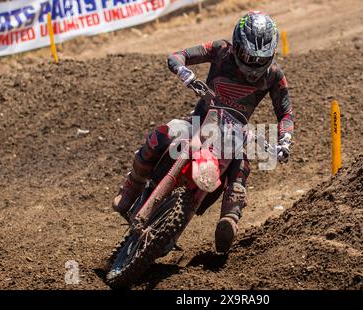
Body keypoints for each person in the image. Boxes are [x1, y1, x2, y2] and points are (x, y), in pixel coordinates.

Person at [112, 11, 294, 253]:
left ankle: (229, 221)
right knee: (163, 134)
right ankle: (131, 189)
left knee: (243, 164)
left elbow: (286, 113)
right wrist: (184, 72)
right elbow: (178, 56)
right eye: (248, 56)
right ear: (237, 45)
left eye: (259, 59)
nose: (252, 65)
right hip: (198, 124)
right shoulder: (220, 50)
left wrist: (284, 140)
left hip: (233, 137)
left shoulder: (274, 75)